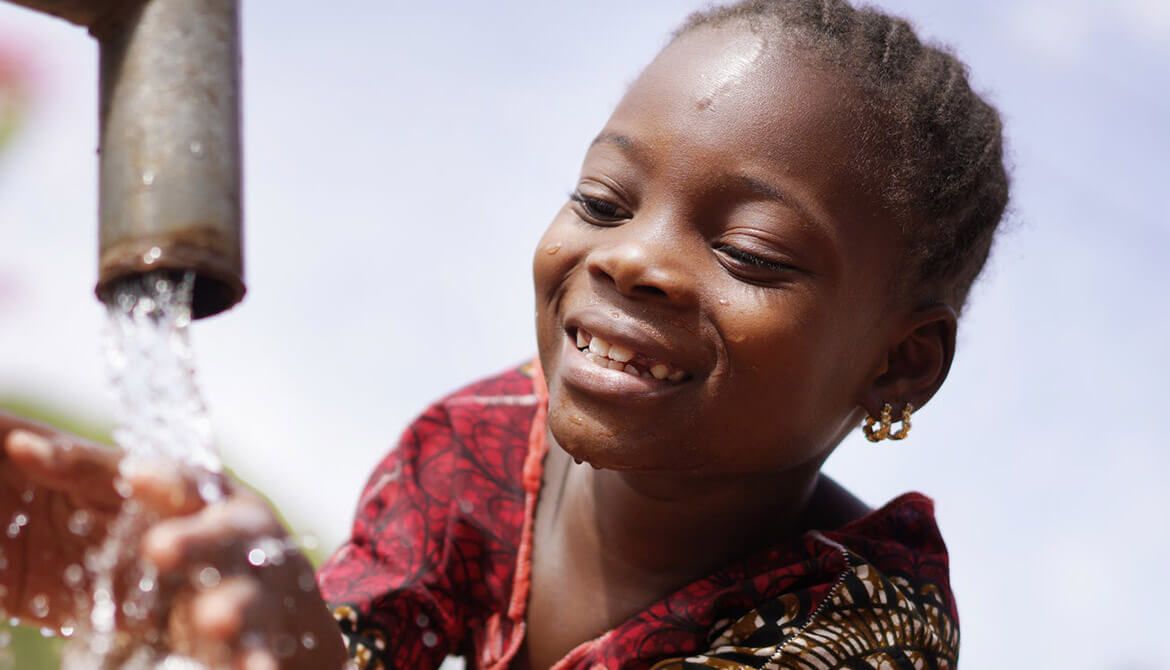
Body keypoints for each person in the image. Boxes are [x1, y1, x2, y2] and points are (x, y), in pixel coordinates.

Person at [0, 0, 1009, 667]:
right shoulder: (478, 443)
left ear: (900, 364)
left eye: (748, 251)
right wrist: (193, 602)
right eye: (603, 200)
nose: (633, 259)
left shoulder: (868, 630)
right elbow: (355, 640)